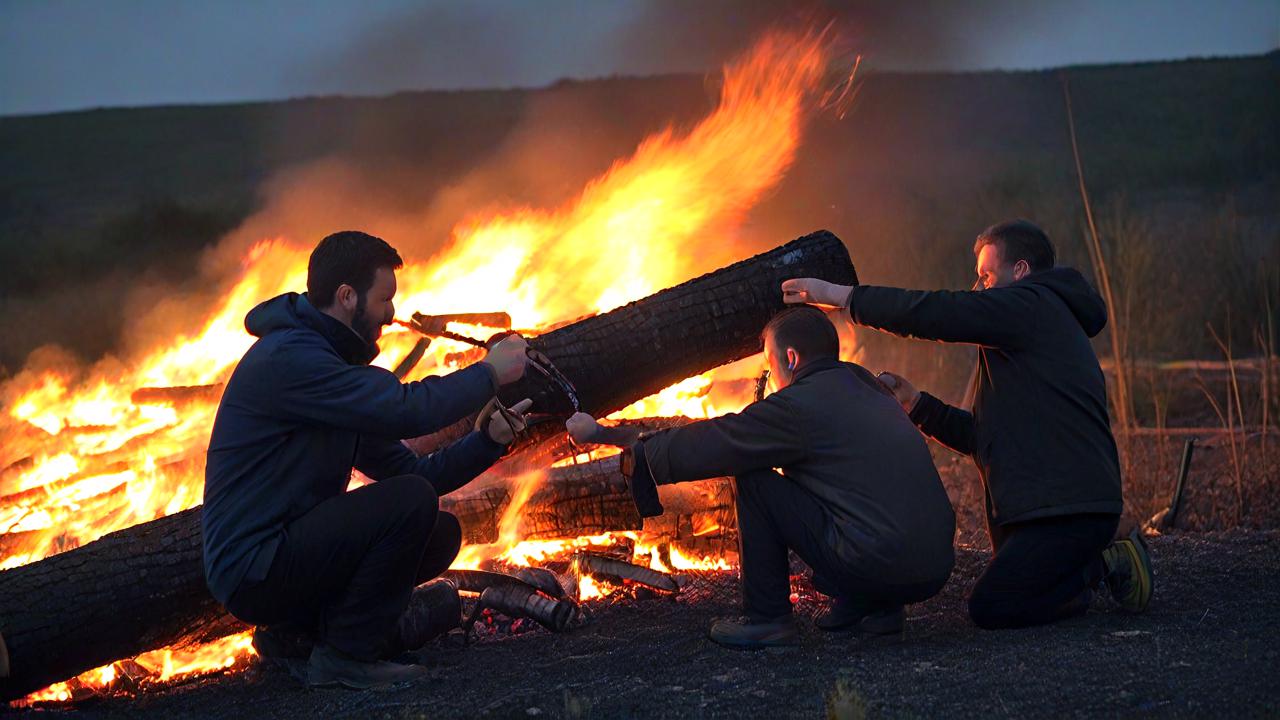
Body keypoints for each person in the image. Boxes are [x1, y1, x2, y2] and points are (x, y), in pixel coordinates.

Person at [781, 218, 1153, 630]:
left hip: (1069, 510)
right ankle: (1077, 572)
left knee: (993, 606)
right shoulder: (1028, 336)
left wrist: (843, 298)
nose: (978, 289)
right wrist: (917, 404)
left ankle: (1103, 564)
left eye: (986, 276)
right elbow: (984, 438)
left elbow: (941, 312)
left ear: (1021, 271)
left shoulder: (1034, 306)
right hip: (1056, 509)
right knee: (1009, 595)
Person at [203, 230, 533, 688]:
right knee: (411, 503)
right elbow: (405, 409)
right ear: (346, 296)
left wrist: (488, 441)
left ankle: (297, 637)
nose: (392, 313)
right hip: (256, 567)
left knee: (436, 532)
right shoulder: (293, 358)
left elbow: (411, 472)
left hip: (284, 555)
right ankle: (346, 656)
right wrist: (488, 374)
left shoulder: (328, 369)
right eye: (384, 299)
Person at [565, 306, 956, 649]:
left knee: (753, 477)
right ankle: (878, 608)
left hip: (877, 560)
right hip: (934, 566)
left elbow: (718, 442)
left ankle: (769, 620)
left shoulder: (800, 405)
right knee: (841, 491)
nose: (771, 376)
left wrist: (604, 435)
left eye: (770, 364)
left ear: (790, 357)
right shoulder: (869, 388)